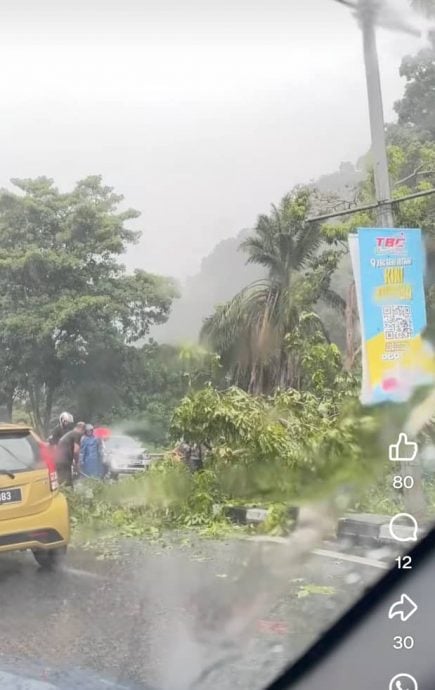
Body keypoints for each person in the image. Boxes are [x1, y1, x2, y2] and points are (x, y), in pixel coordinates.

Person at [56, 421, 86, 487]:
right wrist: (77, 463)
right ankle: (68, 496)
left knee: (61, 482)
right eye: (84, 432)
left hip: (58, 460)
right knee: (68, 483)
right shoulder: (77, 434)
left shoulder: (70, 434)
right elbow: (76, 450)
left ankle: (62, 495)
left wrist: (72, 461)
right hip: (64, 461)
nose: (83, 434)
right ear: (81, 429)